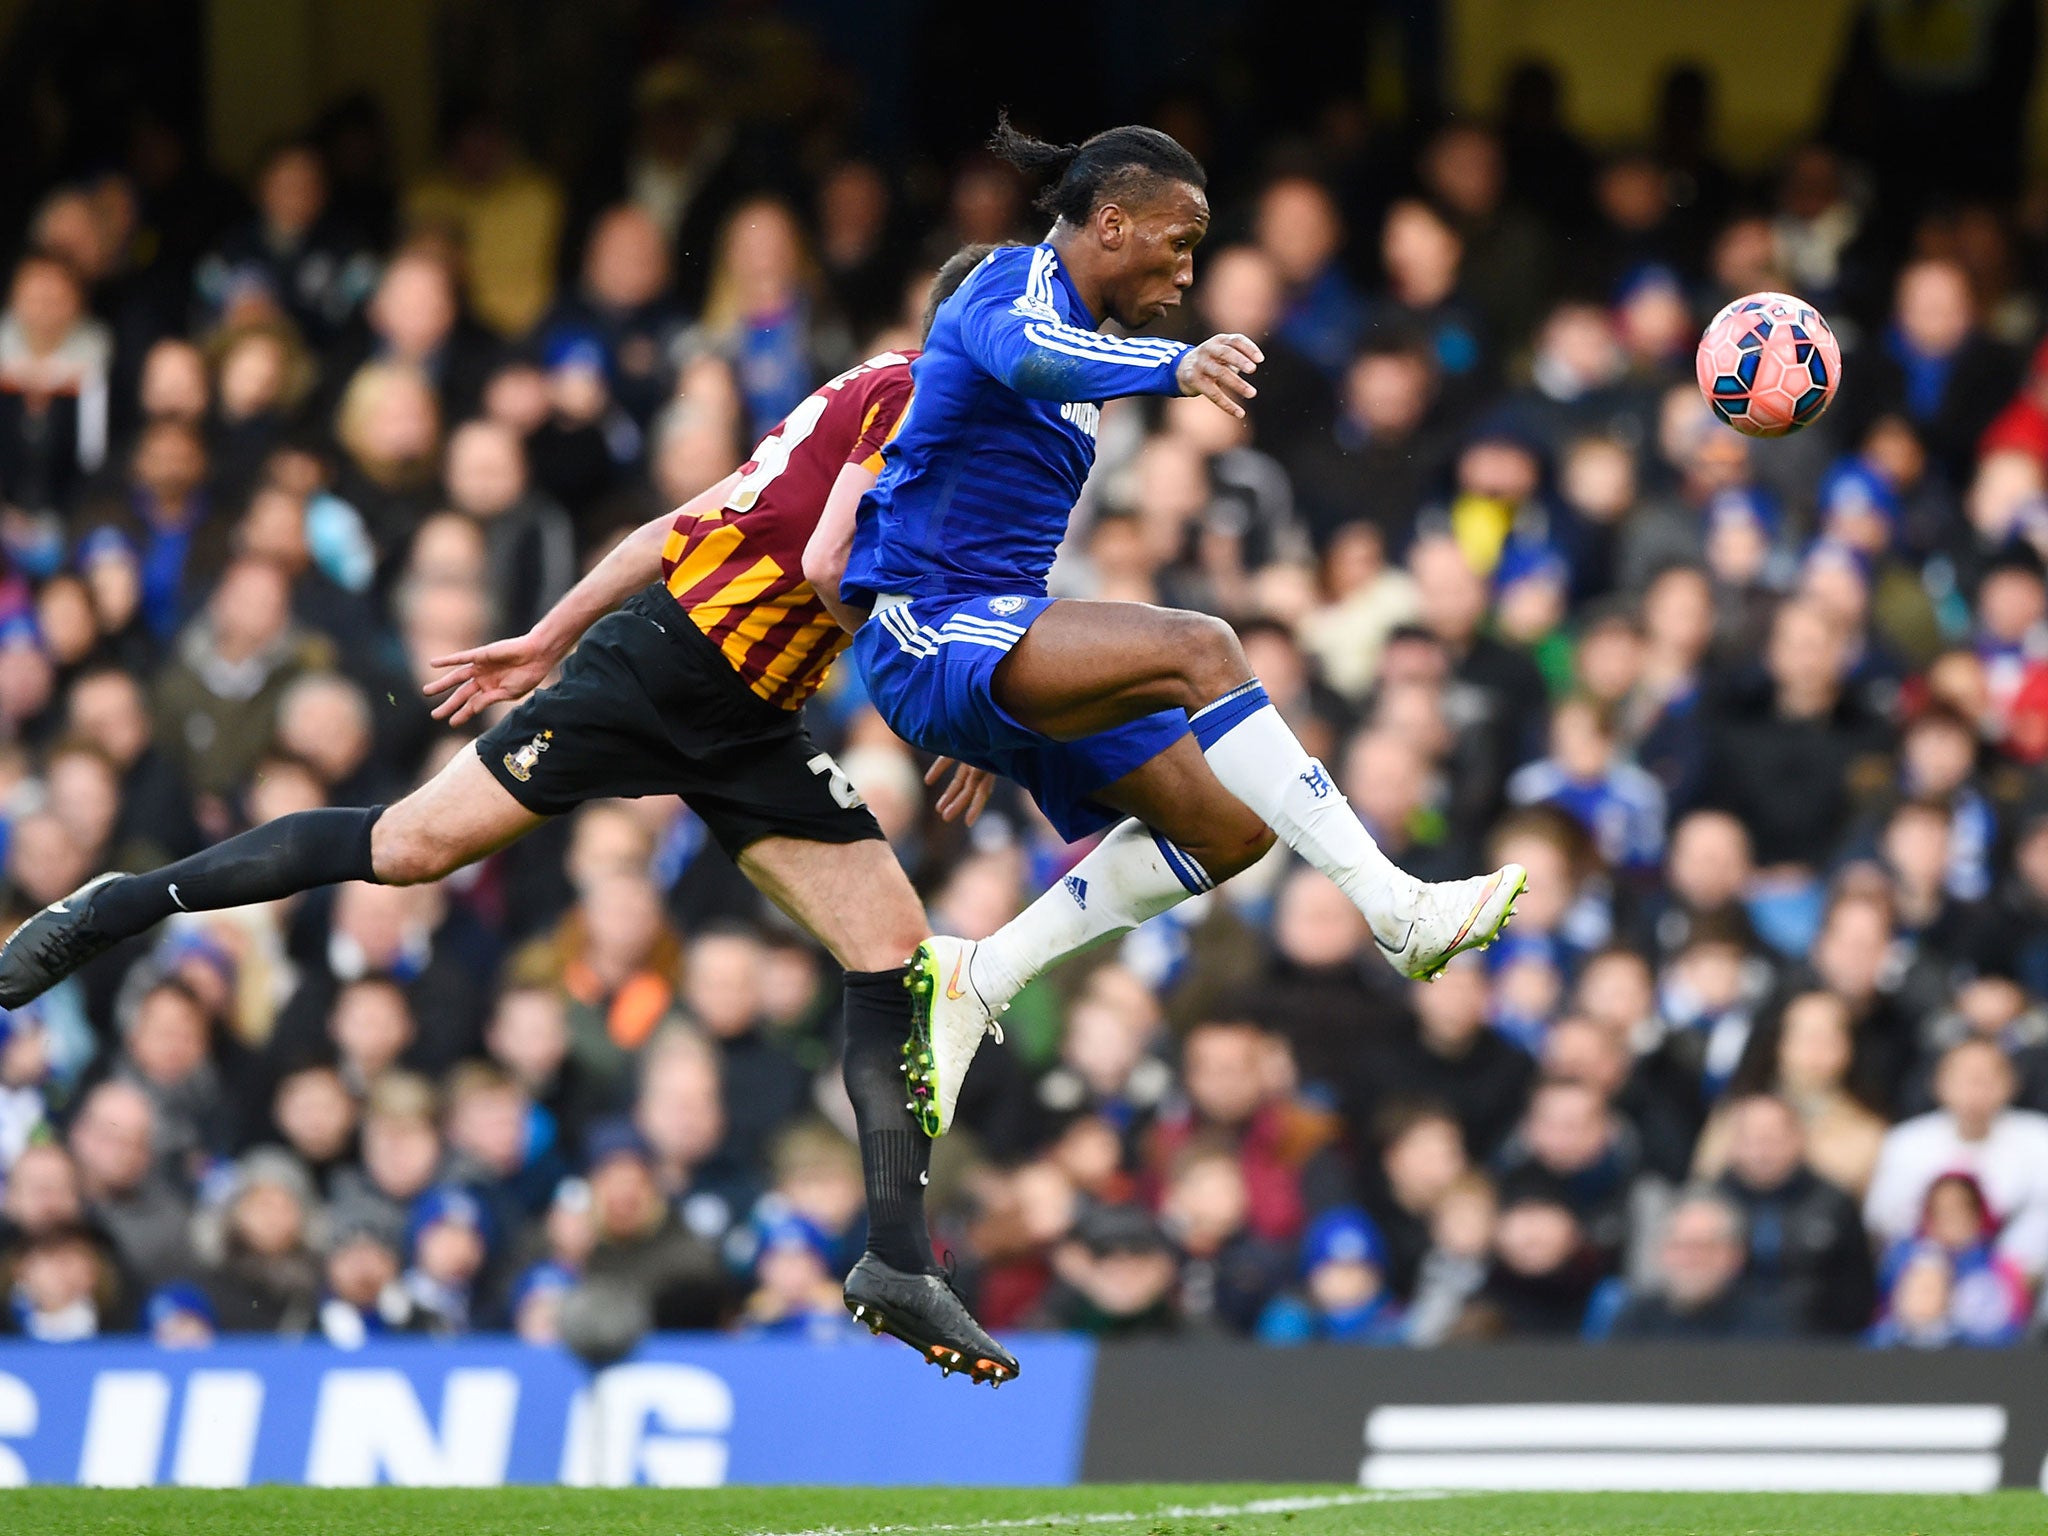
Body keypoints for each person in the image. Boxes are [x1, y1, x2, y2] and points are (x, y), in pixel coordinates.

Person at [0, 251, 1025, 1385]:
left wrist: (546, 633)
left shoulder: (873, 394)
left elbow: (679, 523)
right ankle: (120, 904)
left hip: (746, 714)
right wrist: (950, 704)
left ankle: (892, 1258)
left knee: (895, 952)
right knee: (407, 847)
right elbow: (835, 570)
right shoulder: (913, 403)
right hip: (667, 670)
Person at [828, 118, 1523, 1152]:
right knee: (1201, 646)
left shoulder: (1083, 365)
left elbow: (1008, 534)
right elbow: (1027, 356)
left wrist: (992, 715)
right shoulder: (1005, 287)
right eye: (1179, 240)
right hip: (930, 632)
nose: (1189, 270)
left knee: (1230, 829)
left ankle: (982, 976)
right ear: (1108, 224)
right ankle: (1394, 906)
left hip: (986, 642)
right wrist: (1172, 366)